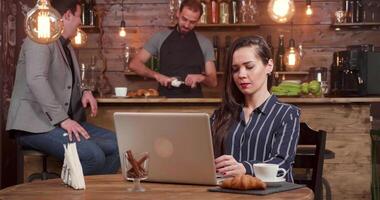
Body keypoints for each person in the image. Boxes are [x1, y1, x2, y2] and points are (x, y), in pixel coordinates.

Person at [6, 0, 119, 175]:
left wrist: (84, 91)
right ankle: (69, 192)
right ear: (67, 15)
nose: (80, 22)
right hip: (34, 126)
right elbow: (36, 79)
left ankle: (90, 193)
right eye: (78, 16)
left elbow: (63, 80)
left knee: (118, 145)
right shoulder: (40, 37)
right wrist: (63, 120)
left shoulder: (66, 45)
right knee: (93, 156)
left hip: (58, 123)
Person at [211, 36, 300, 182]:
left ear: (269, 66)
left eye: (249, 66)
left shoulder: (287, 114)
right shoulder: (221, 115)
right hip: (228, 193)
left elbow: (282, 164)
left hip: (273, 195)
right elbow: (204, 157)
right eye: (235, 69)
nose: (241, 75)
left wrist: (245, 168)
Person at [129, 0, 217, 98]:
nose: (187, 25)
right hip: (164, 101)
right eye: (184, 19)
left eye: (192, 22)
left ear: (198, 20)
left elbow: (213, 82)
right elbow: (134, 65)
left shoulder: (205, 43)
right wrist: (157, 75)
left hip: (194, 103)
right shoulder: (159, 38)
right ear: (178, 14)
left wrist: (201, 78)